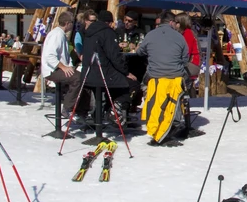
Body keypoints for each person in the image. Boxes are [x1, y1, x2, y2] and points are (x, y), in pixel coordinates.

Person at [138, 12, 194, 147]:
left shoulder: (150, 35)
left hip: (155, 78)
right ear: (171, 22)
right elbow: (185, 59)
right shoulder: (179, 37)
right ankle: (168, 131)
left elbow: (140, 52)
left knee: (156, 105)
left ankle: (156, 131)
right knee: (172, 106)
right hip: (175, 77)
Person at [79, 11, 136, 137]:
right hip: (102, 74)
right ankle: (115, 109)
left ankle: (104, 112)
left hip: (87, 74)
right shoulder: (108, 32)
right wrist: (126, 72)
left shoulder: (88, 32)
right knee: (131, 84)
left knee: (116, 84)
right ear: (110, 23)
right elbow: (114, 56)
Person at [40, 11, 83, 113]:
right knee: (78, 79)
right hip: (52, 70)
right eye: (72, 23)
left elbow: (64, 56)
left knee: (82, 77)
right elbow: (50, 55)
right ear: (68, 23)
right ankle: (67, 107)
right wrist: (63, 67)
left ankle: (81, 110)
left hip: (57, 68)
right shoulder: (57, 35)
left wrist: (70, 66)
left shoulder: (60, 34)